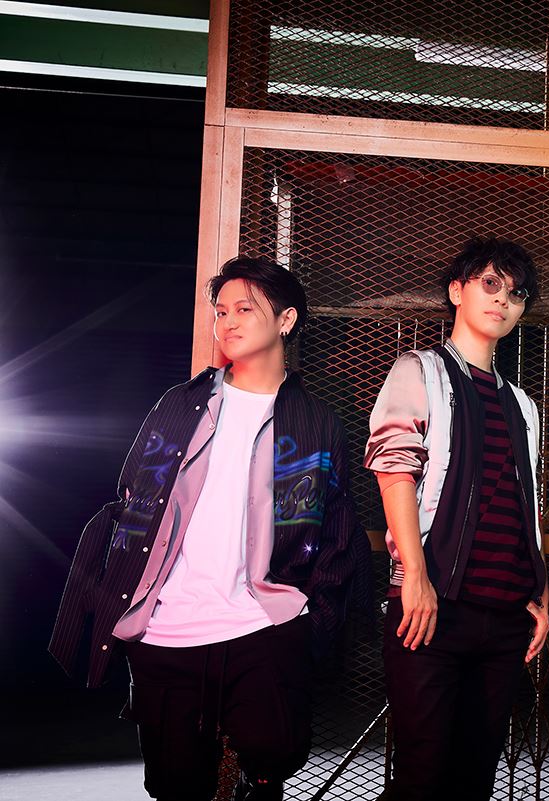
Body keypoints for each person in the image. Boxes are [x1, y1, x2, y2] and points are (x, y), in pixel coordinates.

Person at [49, 256, 368, 801]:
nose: (228, 322)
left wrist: (311, 616)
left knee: (273, 759)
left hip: (263, 624)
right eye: (221, 311)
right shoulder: (181, 404)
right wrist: (121, 600)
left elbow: (336, 524)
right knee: (175, 785)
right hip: (167, 628)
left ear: (286, 319)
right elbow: (134, 501)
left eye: (244, 309)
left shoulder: (316, 419)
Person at [364, 236, 549, 801]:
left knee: (474, 780)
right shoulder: (419, 370)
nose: (502, 300)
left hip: (506, 616)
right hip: (433, 606)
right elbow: (394, 470)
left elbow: (524, 504)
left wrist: (538, 594)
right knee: (421, 776)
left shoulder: (522, 404)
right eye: (489, 284)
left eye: (515, 294)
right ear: (456, 291)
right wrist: (414, 577)